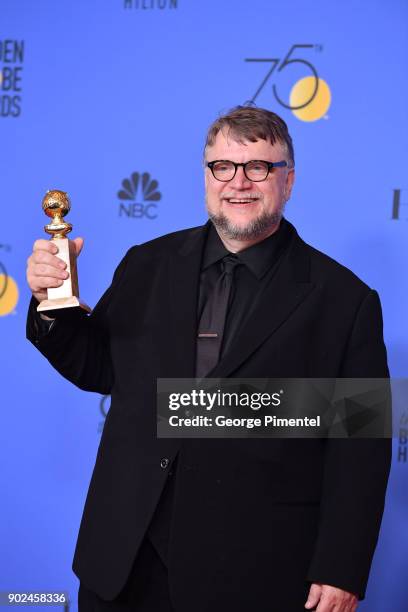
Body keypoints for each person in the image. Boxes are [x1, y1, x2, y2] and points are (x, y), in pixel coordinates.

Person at [26, 106, 391, 612]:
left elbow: (362, 450)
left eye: (258, 167)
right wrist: (50, 304)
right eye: (223, 166)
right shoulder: (147, 263)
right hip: (123, 560)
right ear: (206, 176)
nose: (238, 182)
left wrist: (341, 565)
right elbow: (100, 368)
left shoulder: (345, 300)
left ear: (288, 180)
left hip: (255, 569)